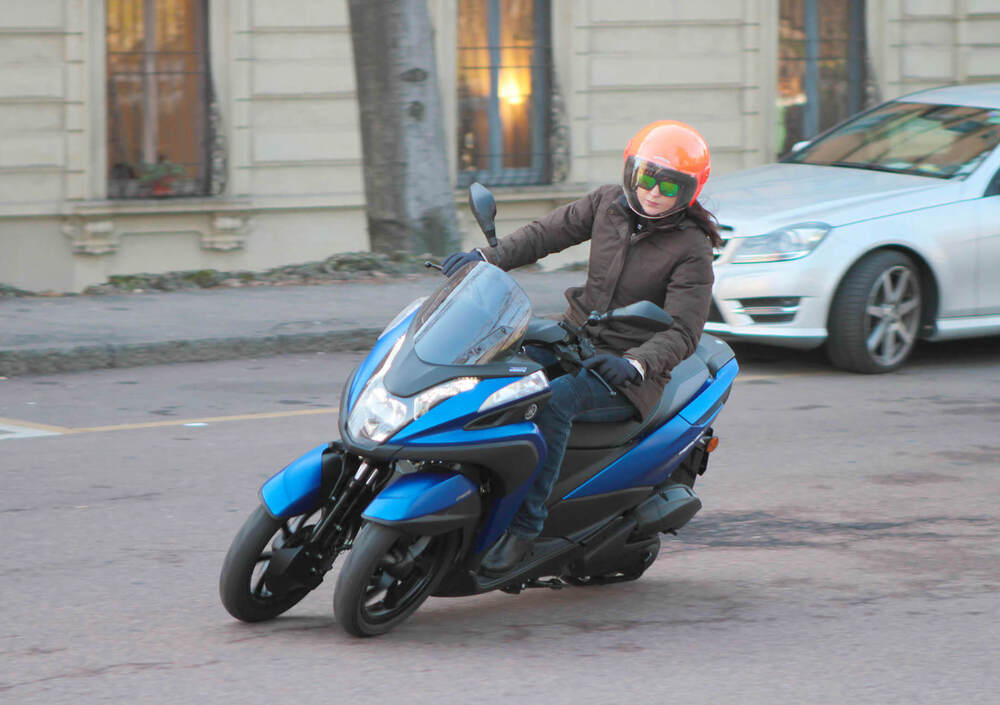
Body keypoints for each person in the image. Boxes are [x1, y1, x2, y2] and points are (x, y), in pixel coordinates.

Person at [440, 120, 724, 576]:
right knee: (494, 371)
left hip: (627, 374)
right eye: (648, 177)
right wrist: (483, 260)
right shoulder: (606, 204)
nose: (655, 191)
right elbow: (544, 235)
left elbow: (684, 332)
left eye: (670, 185)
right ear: (632, 171)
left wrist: (636, 363)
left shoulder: (692, 247)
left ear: (689, 191)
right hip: (575, 339)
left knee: (554, 403)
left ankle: (525, 530)